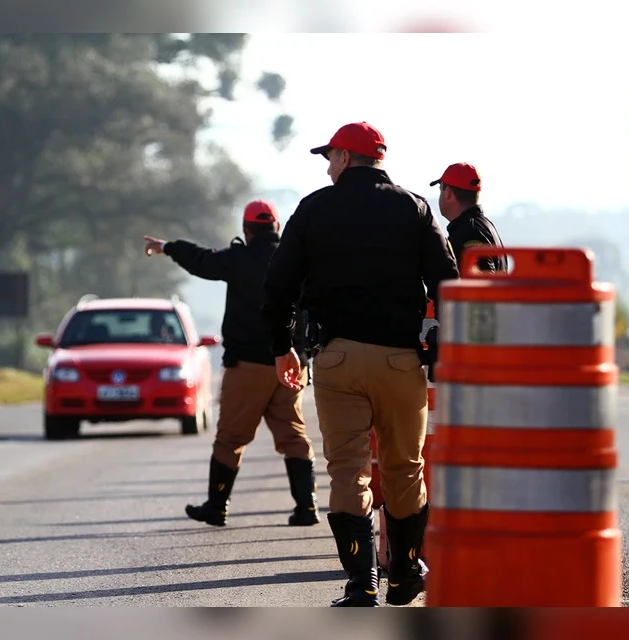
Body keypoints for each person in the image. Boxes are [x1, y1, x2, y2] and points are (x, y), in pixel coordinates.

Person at [260, 122, 460, 607]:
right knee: (405, 469)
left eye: (330, 157)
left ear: (346, 158)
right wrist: (443, 343)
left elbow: (278, 287)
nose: (327, 168)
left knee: (348, 471)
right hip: (400, 360)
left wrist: (283, 348)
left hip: (338, 358)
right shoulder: (415, 207)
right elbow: (449, 282)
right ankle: (404, 576)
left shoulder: (314, 208)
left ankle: (362, 582)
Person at [143, 200, 320, 529]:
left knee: (230, 438)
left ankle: (217, 506)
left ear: (246, 229)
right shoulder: (297, 259)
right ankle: (307, 506)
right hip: (292, 364)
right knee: (294, 436)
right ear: (277, 227)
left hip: (249, 365)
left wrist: (168, 247)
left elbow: (202, 260)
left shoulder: (238, 259)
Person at [430, 162, 505, 273]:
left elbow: (482, 280)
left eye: (441, 190)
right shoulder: (482, 226)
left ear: (448, 193)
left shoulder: (469, 232)